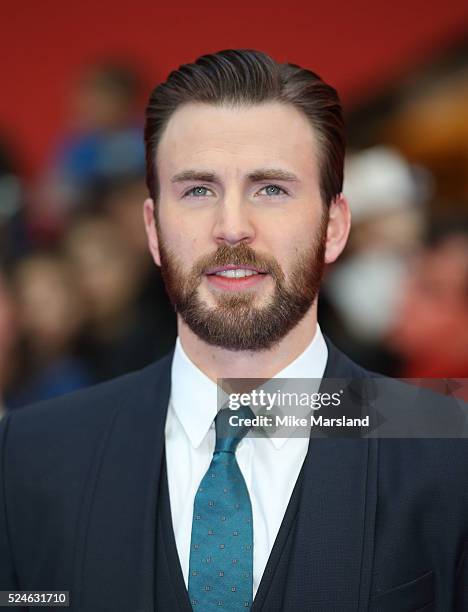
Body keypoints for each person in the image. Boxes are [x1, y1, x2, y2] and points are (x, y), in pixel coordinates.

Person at [0, 50, 467, 612]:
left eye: (271, 188)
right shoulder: (33, 454)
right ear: (152, 229)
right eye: (198, 190)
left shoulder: (449, 445)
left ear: (334, 226)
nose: (232, 228)